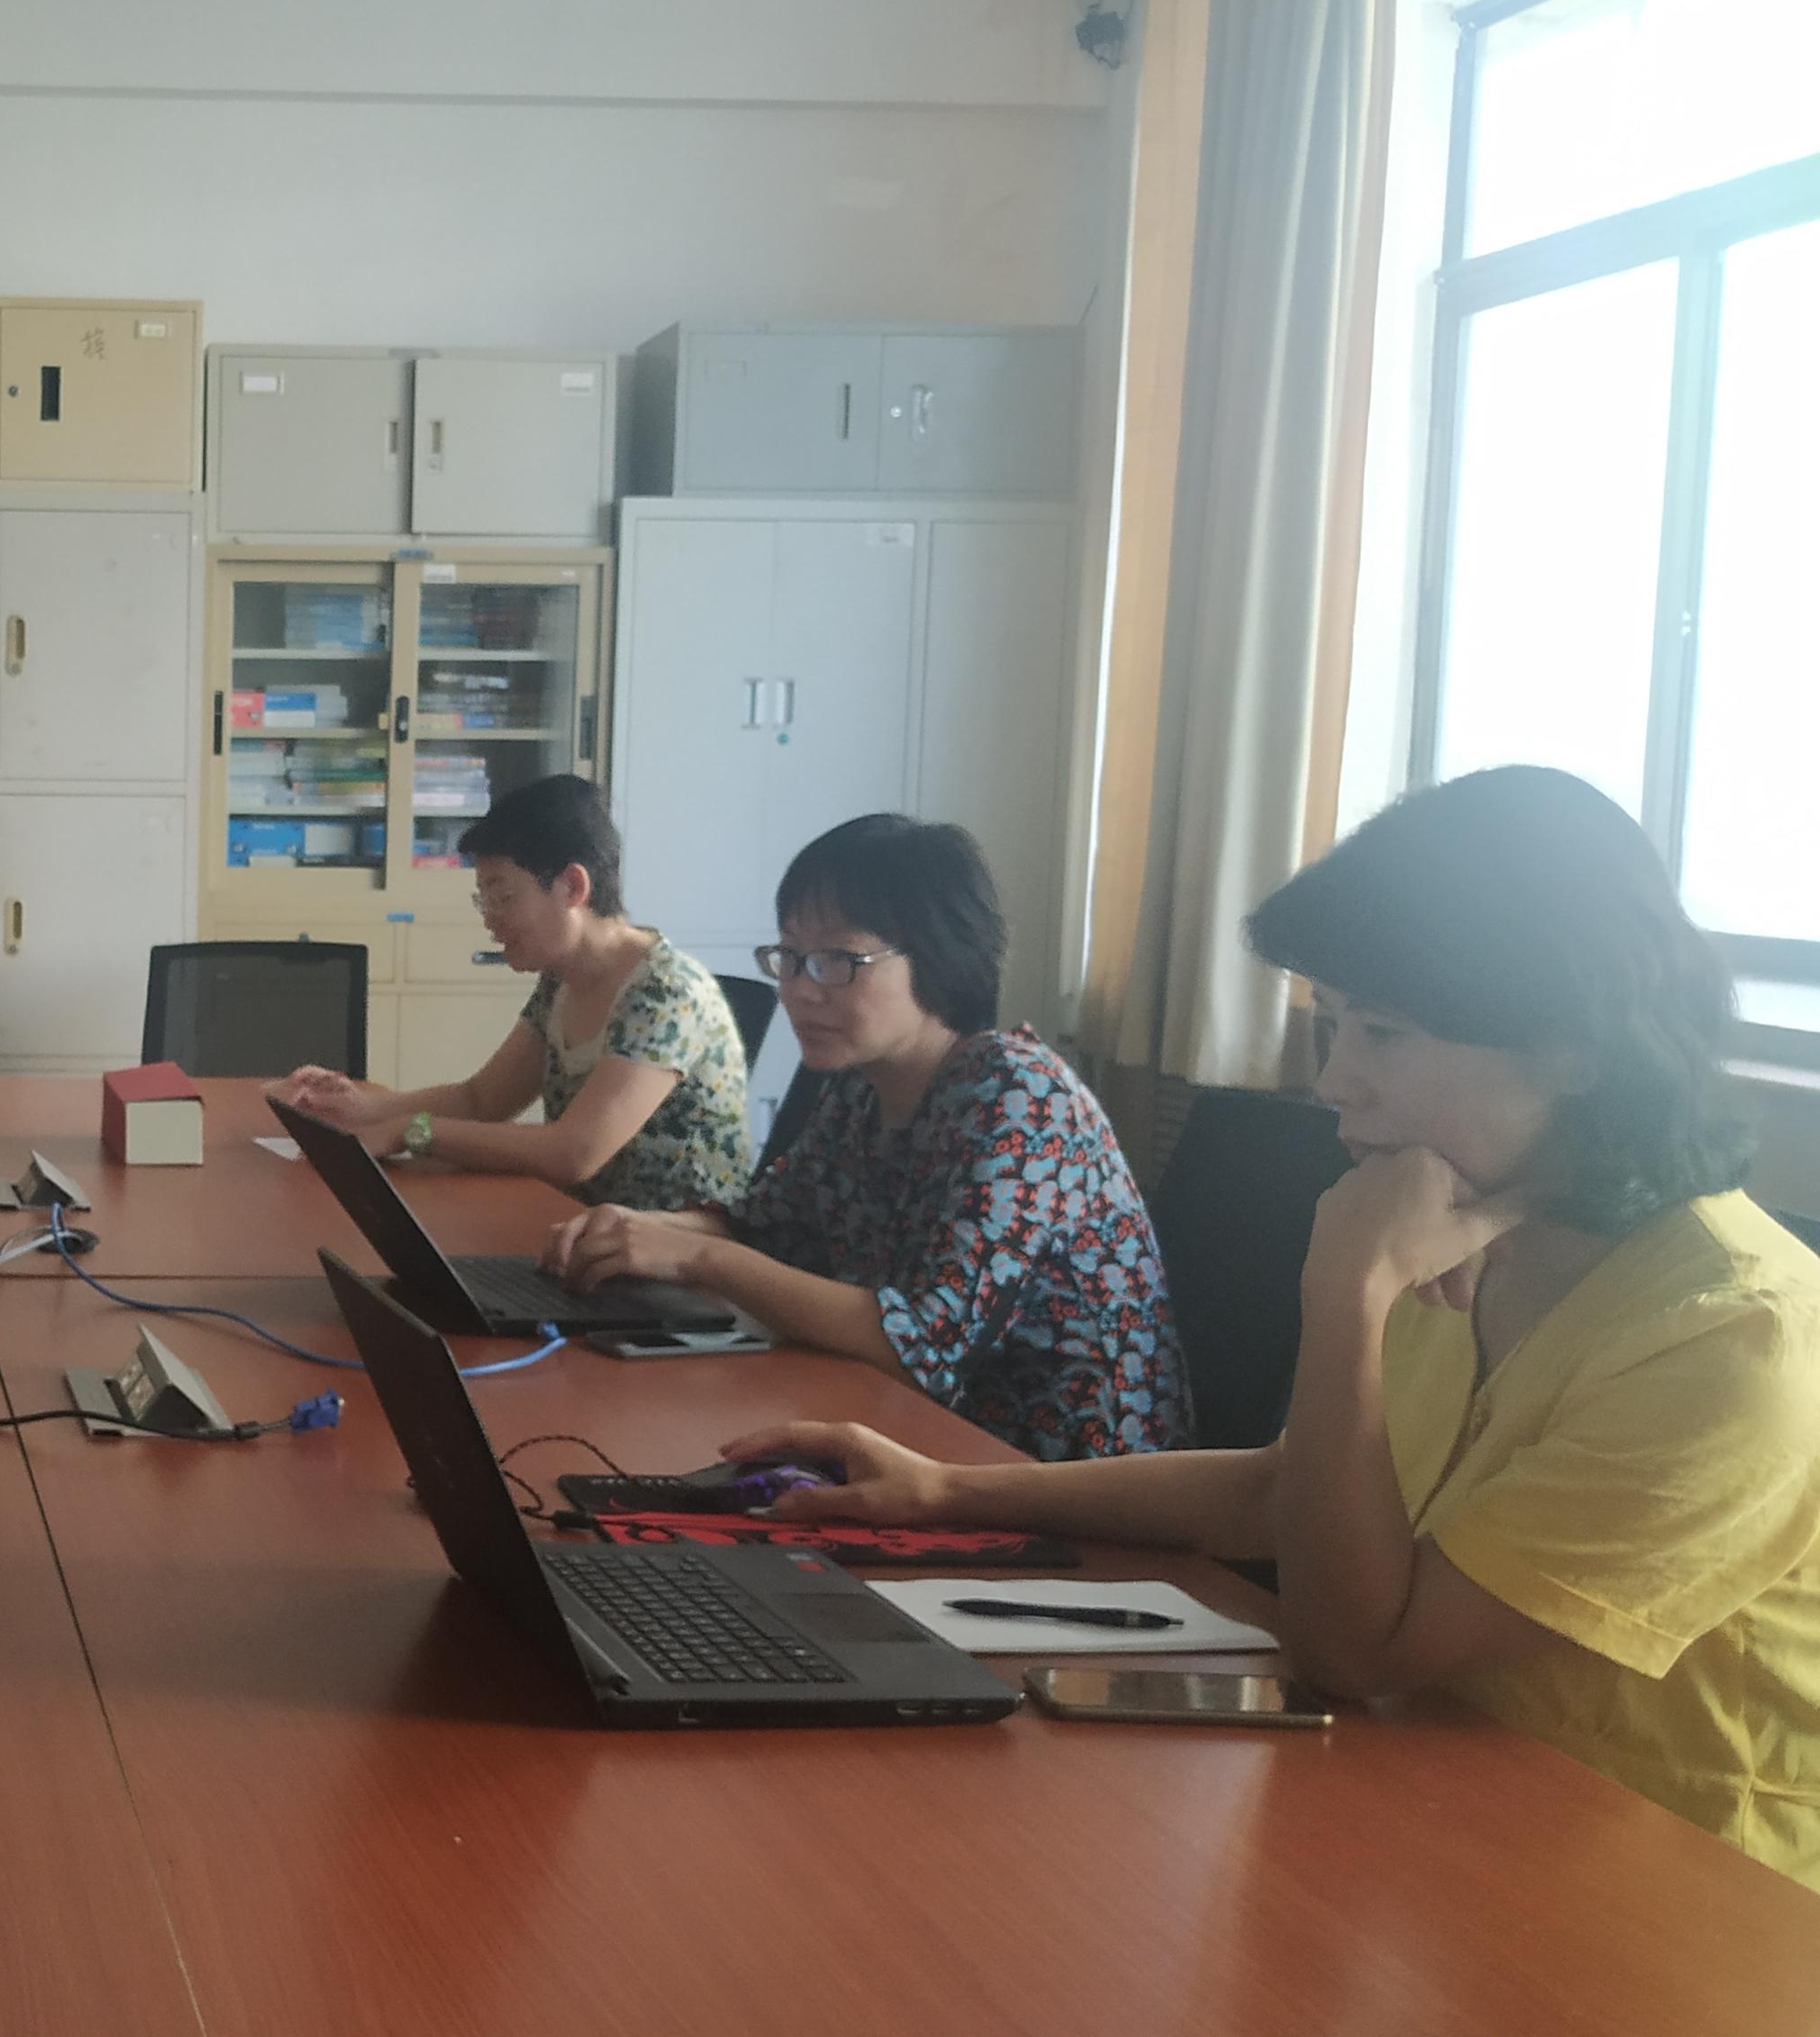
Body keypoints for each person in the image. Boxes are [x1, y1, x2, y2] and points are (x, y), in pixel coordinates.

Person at [723, 769, 1819, 1890]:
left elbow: (1358, 1647)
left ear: (1572, 1048)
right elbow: (1285, 1490)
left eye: (1381, 1032)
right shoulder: (1475, 1227)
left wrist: (1346, 1298)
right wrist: (943, 1491)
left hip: (1662, 1897)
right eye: (1332, 1025)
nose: (1334, 1080)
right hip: (1427, 1820)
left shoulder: (1727, 1336)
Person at [546, 814, 1187, 1460]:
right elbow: (766, 1227)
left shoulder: (1019, 1098)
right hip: (909, 1433)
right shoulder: (861, 1084)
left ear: (939, 956)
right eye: (790, 958)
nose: (799, 991)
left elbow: (921, 1346)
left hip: (1047, 1469)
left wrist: (694, 1257)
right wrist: (633, 1229)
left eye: (838, 962)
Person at [278, 774, 753, 1212]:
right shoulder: (560, 981)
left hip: (672, 1258)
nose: (490, 919)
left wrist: (412, 1130)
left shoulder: (665, 993)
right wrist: (363, 1108)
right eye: (484, 900)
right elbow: (482, 1101)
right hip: (583, 1230)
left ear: (573, 886)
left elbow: (574, 1153)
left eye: (503, 897)